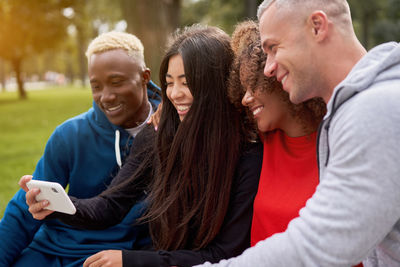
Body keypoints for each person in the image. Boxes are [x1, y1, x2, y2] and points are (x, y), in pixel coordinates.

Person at [22, 24, 263, 267]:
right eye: (169, 82)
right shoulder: (158, 133)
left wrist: (131, 261)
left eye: (186, 82)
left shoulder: (248, 155)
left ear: (215, 83)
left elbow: (225, 253)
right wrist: (56, 205)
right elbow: (110, 206)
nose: (174, 93)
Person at [195, 0, 400, 266]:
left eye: (274, 48)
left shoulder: (374, 109)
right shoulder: (365, 104)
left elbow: (320, 245)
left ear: (317, 26)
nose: (267, 68)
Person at [0, 31, 161, 266]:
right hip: (55, 249)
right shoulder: (69, 135)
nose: (106, 96)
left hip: (118, 256)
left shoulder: (170, 129)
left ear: (144, 76)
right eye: (96, 86)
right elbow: (24, 210)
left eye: (116, 82)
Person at [229, 19, 327, 247]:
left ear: (279, 76)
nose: (245, 98)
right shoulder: (261, 139)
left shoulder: (336, 139)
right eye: (243, 88)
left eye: (253, 85)